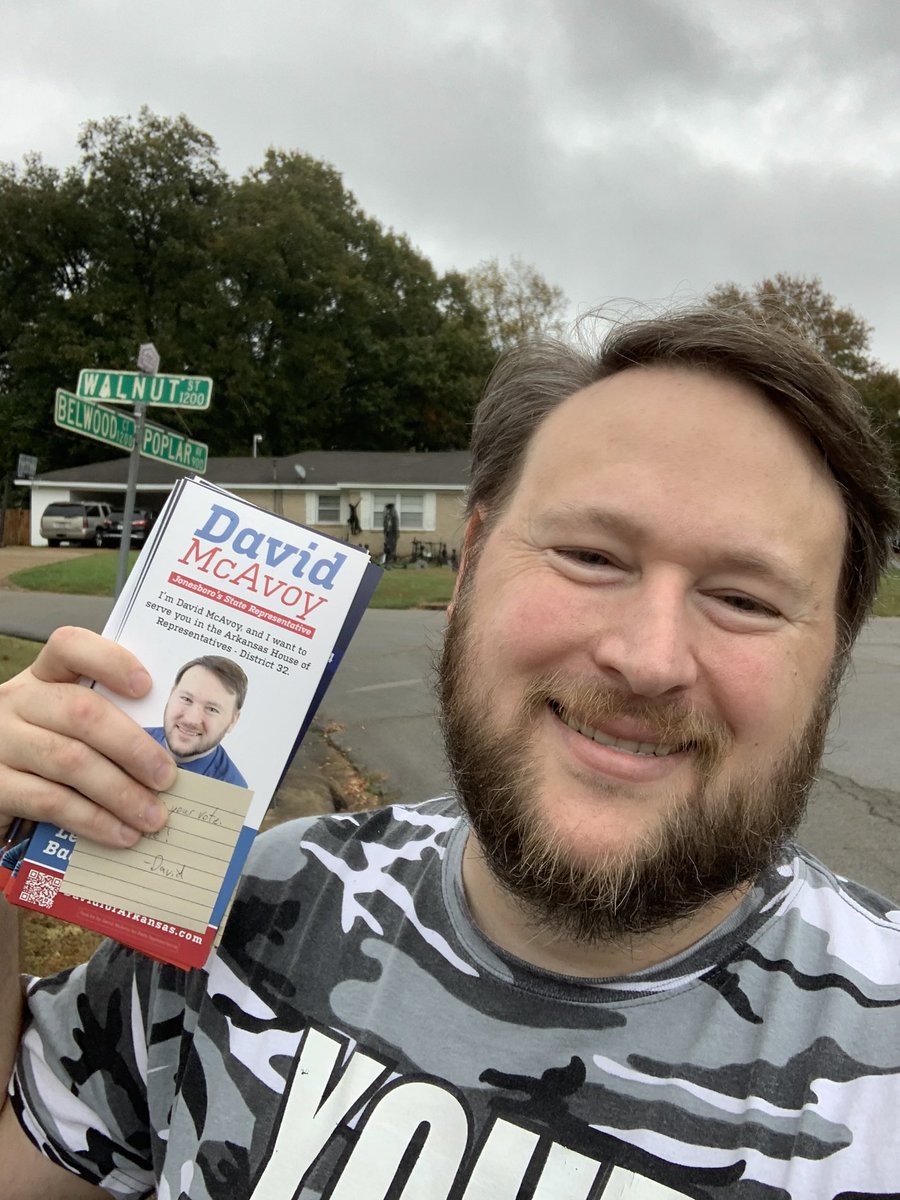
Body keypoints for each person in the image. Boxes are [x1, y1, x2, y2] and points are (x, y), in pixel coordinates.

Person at [2, 306, 900, 1198]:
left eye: (745, 600)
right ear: (469, 567)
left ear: (835, 658)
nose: (649, 659)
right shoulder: (251, 905)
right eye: (590, 554)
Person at [145, 655, 249, 788]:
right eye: (186, 699)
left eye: (212, 709)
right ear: (171, 695)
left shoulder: (234, 790)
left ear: (233, 721)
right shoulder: (130, 740)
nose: (191, 720)